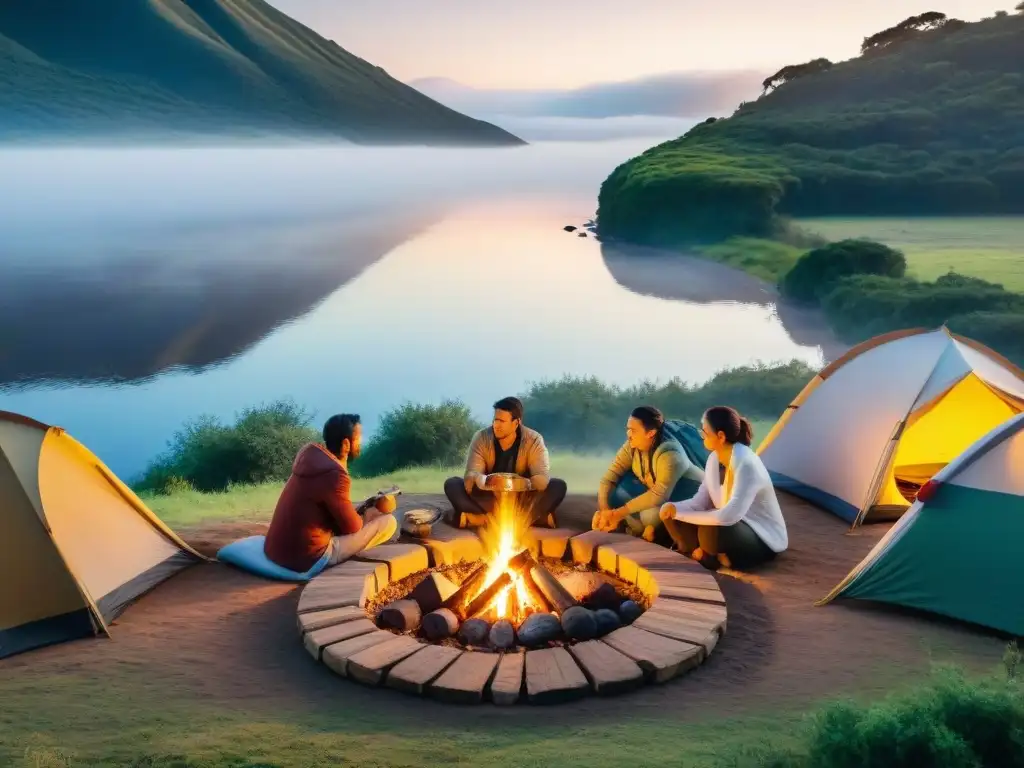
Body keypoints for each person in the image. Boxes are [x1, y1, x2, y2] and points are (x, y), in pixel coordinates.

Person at [264, 413, 398, 573]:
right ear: (346, 444)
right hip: (308, 559)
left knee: (360, 513)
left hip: (275, 552)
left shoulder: (311, 461)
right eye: (359, 437)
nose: (360, 442)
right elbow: (352, 528)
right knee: (388, 522)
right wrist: (368, 514)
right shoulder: (335, 475)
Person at [659, 406, 788, 571]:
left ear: (720, 436)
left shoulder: (746, 463)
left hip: (760, 536)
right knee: (669, 513)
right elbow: (700, 501)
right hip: (729, 524)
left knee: (710, 526)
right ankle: (705, 555)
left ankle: (711, 556)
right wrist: (674, 509)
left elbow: (728, 516)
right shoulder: (714, 458)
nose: (701, 435)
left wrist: (683, 514)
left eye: (705, 431)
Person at [444, 396, 567, 528]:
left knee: (557, 486)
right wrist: (484, 480)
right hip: (489, 498)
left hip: (521, 500)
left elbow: (541, 479)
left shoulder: (534, 440)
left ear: (516, 422)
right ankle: (531, 520)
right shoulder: (481, 437)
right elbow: (470, 477)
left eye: (502, 421)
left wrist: (520, 483)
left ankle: (480, 520)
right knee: (453, 484)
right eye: (495, 420)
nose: (496, 425)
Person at [592, 406, 705, 541]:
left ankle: (648, 531)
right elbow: (608, 479)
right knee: (616, 494)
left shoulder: (671, 454)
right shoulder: (632, 446)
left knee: (650, 515)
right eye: (628, 429)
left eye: (633, 430)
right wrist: (605, 512)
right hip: (659, 501)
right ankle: (639, 528)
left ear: (650, 433)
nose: (628, 434)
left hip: (685, 501)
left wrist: (617, 514)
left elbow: (658, 495)